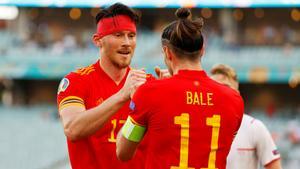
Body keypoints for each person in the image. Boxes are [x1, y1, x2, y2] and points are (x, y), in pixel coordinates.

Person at [116, 8, 244, 169]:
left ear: (167, 53)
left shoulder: (149, 93)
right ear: (202, 50)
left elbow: (123, 152)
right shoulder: (233, 99)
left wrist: (139, 102)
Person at [57, 3, 152, 169]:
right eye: (118, 35)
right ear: (98, 40)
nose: (127, 43)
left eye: (131, 35)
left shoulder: (149, 83)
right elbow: (72, 129)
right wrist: (122, 95)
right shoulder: (76, 81)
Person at [210, 64, 282, 169]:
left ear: (237, 94)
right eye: (214, 87)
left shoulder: (254, 127)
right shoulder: (196, 126)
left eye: (226, 87)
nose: (220, 92)